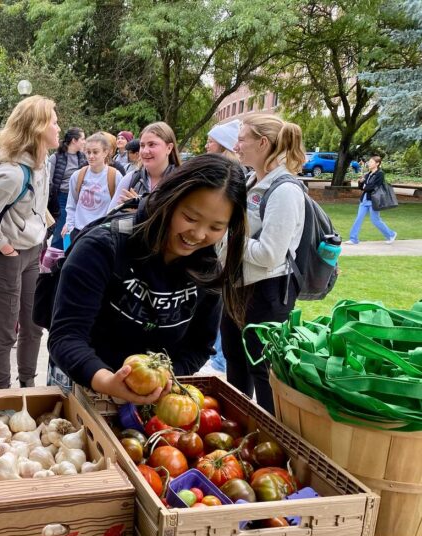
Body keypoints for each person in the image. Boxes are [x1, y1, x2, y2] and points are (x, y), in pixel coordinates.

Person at [48, 154, 247, 404]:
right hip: (84, 383)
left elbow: (199, 345)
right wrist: (109, 382)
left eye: (216, 227)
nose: (198, 234)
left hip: (156, 400)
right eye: (190, 218)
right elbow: (67, 337)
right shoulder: (101, 247)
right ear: (169, 199)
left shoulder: (207, 269)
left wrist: (164, 382)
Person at [0, 95, 59, 389]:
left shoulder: (42, 164)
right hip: (3, 257)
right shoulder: (10, 173)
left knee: (33, 327)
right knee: (5, 332)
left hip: (32, 253)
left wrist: (44, 224)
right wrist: (5, 246)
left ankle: (28, 388)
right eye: (54, 123)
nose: (59, 128)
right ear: (38, 128)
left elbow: (35, 199)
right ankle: (2, 393)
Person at [220, 113, 307, 414]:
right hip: (236, 289)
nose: (237, 145)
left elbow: (271, 254)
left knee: (262, 371)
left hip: (267, 294)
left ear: (263, 142)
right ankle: (236, 425)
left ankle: (273, 442)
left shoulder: (285, 190)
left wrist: (227, 239)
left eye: (242, 138)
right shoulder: (249, 181)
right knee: (235, 365)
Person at [204, 119, 242, 373]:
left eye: (211, 141)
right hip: (218, 253)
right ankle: (218, 356)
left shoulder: (231, 177)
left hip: (227, 256)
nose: (207, 145)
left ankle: (219, 360)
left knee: (221, 303)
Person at [62, 133, 123, 241]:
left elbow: (120, 208)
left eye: (95, 152)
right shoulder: (78, 176)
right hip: (78, 232)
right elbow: (71, 205)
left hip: (102, 234)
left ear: (105, 152)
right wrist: (70, 227)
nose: (91, 156)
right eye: (88, 152)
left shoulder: (115, 176)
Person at [108, 122, 181, 211]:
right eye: (142, 145)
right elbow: (110, 217)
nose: (145, 151)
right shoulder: (131, 179)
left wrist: (139, 211)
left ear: (169, 148)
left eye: (152, 144)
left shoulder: (181, 182)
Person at [48, 128, 87, 249]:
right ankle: (54, 262)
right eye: (83, 139)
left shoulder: (84, 158)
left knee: (76, 230)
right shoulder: (56, 157)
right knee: (61, 231)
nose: (84, 142)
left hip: (79, 198)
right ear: (74, 140)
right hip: (62, 198)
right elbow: (49, 181)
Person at [345, 155, 397, 245]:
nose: (369, 163)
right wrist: (360, 182)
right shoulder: (368, 174)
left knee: (375, 220)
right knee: (358, 219)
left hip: (373, 200)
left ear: (377, 163)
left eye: (371, 162)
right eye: (369, 162)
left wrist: (366, 186)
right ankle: (354, 239)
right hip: (364, 199)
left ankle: (391, 234)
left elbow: (375, 186)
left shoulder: (380, 174)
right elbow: (362, 188)